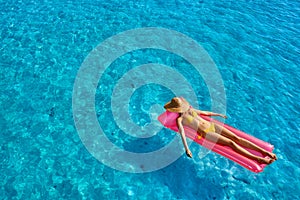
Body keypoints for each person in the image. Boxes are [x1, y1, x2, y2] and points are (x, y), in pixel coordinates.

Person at [164, 97, 277, 164]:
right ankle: (258, 159)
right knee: (231, 143)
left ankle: (264, 152)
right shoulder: (180, 119)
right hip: (206, 133)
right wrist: (187, 149)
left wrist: (218, 114)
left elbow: (204, 113)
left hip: (212, 125)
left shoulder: (190, 109)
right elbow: (182, 133)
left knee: (236, 138)